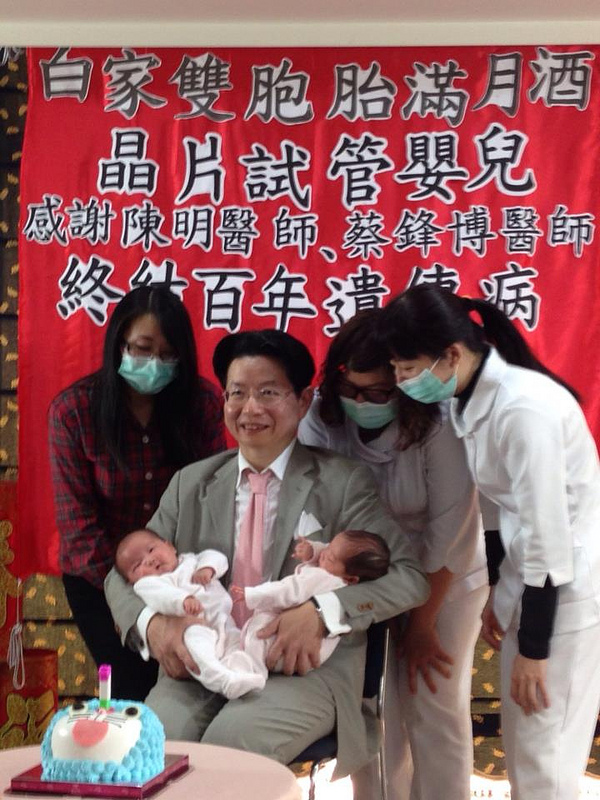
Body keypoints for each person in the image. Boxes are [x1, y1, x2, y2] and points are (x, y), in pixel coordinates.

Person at [104, 328, 429, 778]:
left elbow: (409, 576)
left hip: (300, 669)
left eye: (269, 392)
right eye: (237, 393)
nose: (250, 408)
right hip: (202, 663)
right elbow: (119, 577)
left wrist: (322, 611)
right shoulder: (191, 484)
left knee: (232, 747)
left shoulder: (343, 483)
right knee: (153, 744)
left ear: (304, 400)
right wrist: (152, 624)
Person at [378, 284, 600, 800]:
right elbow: (497, 509)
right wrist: (501, 594)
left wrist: (536, 650)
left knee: (545, 763)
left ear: (452, 355)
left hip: (564, 600)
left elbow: (547, 535)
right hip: (531, 589)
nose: (400, 382)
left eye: (408, 368)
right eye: (395, 368)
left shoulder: (524, 409)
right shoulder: (471, 401)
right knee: (527, 751)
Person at [298, 310, 487, 800]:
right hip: (360, 575)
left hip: (445, 577)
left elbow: (451, 533)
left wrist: (421, 624)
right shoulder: (322, 415)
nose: (361, 402)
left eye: (378, 393)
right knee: (371, 704)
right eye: (351, 390)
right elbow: (320, 507)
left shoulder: (438, 424)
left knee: (432, 702)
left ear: (402, 385)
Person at [48, 286, 226, 701]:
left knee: (194, 679)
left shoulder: (201, 403)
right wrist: (129, 602)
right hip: (101, 579)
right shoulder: (73, 412)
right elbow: (80, 531)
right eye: (143, 349)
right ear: (119, 345)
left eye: (168, 355)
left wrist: (183, 579)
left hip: (181, 570)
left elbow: (212, 496)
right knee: (132, 690)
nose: (154, 364)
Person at [115, 528, 264, 699]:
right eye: (137, 565)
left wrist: (208, 568)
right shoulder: (147, 584)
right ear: (131, 581)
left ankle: (244, 673)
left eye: (151, 549)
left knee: (237, 643)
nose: (149, 560)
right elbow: (161, 596)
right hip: (190, 625)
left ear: (170, 546)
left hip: (223, 619)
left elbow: (217, 557)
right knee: (199, 650)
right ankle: (222, 680)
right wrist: (183, 600)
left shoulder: (191, 560)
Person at [231, 530, 391, 684]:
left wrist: (252, 594)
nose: (323, 553)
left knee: (257, 635)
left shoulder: (322, 577)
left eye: (330, 557)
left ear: (351, 579)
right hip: (314, 654)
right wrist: (312, 551)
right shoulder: (338, 575)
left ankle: (253, 674)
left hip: (292, 649)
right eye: (328, 546)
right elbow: (329, 551)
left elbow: (287, 590)